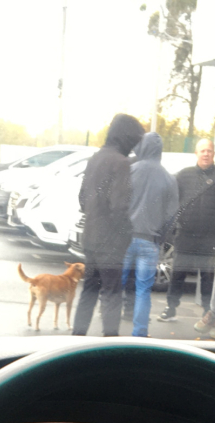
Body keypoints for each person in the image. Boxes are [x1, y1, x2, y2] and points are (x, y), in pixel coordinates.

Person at [72, 113, 146, 336]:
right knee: (112, 293)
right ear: (127, 137)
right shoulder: (121, 163)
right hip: (111, 241)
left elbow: (82, 199)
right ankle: (110, 341)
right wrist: (126, 235)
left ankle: (77, 337)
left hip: (91, 236)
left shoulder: (95, 158)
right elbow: (119, 207)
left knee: (89, 290)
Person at [158, 138, 215, 324]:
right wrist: (177, 218)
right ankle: (171, 308)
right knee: (178, 272)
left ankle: (207, 311)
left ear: (214, 153)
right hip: (185, 234)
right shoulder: (183, 175)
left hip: (209, 236)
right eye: (202, 151)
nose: (206, 154)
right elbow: (171, 197)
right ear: (196, 153)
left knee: (208, 275)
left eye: (209, 151)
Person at [120, 132, 178, 336]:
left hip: (125, 239)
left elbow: (118, 203)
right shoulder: (169, 178)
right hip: (150, 241)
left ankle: (109, 332)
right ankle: (140, 333)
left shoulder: (130, 171)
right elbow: (172, 215)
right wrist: (160, 236)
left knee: (115, 285)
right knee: (143, 290)